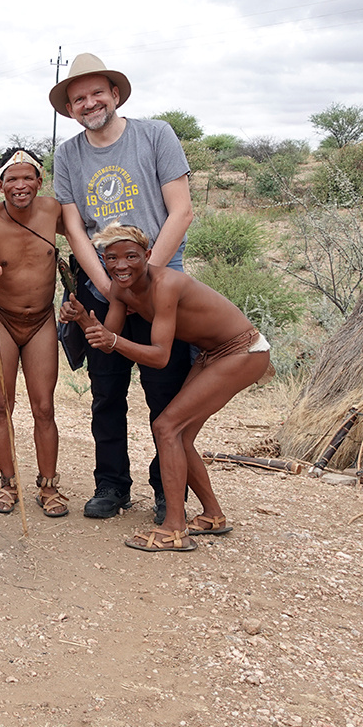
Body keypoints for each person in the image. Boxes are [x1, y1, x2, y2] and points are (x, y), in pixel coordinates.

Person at [64, 224, 273, 551]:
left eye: (131, 256)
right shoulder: (120, 289)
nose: (121, 265)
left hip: (242, 351)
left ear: (148, 255)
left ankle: (174, 529)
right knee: (180, 435)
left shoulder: (166, 284)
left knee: (166, 427)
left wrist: (113, 340)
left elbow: (160, 357)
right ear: (103, 261)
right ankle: (213, 515)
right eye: (112, 258)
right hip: (212, 354)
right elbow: (107, 341)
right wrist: (81, 318)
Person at [51, 54, 194, 524]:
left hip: (158, 277)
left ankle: (166, 488)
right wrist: (109, 286)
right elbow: (74, 227)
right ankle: (111, 484)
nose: (89, 103)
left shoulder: (156, 135)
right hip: (101, 281)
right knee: (106, 391)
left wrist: (142, 279)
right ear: (69, 108)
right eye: (78, 98)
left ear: (115, 95)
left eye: (97, 93)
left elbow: (180, 211)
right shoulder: (68, 155)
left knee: (164, 390)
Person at [0, 148, 68, 518]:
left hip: (42, 320)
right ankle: (8, 484)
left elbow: (84, 235)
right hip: (2, 319)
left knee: (44, 406)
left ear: (40, 182)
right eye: (12, 178)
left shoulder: (53, 210)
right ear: (0, 184)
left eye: (28, 177)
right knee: (1, 405)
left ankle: (49, 486)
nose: (20, 185)